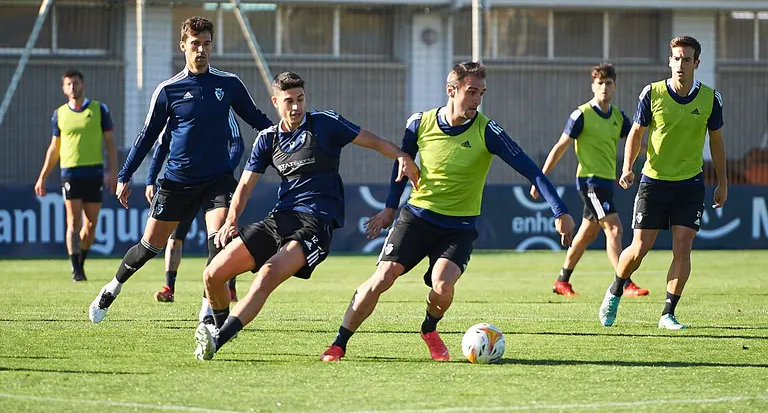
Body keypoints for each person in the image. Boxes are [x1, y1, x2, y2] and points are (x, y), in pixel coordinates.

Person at [319, 62, 575, 362]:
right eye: (471, 92)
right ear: (451, 90)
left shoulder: (488, 131)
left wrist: (560, 211)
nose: (477, 100)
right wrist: (390, 207)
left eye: (481, 93)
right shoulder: (419, 123)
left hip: (459, 227)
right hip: (416, 218)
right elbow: (401, 163)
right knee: (382, 278)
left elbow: (533, 171)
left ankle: (429, 328)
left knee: (442, 285)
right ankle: (339, 343)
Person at [192, 71, 419, 360]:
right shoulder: (268, 139)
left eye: (300, 99)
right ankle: (223, 326)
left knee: (268, 274)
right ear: (276, 102)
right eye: (289, 101)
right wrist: (231, 220)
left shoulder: (325, 123)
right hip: (280, 219)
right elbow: (245, 186)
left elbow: (373, 141)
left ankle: (218, 340)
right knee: (212, 274)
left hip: (316, 224)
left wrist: (401, 156)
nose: (296, 107)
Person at [88, 16, 272, 323]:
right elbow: (146, 137)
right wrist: (124, 175)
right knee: (149, 248)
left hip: (217, 181)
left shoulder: (228, 84)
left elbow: (257, 119)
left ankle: (206, 315)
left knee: (219, 241)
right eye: (195, 44)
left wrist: (289, 134)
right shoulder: (168, 90)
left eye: (207, 44)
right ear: (183, 46)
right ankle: (112, 288)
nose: (201, 50)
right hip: (177, 181)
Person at [598, 36, 726, 330]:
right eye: (676, 58)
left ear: (697, 63)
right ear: (670, 60)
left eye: (687, 59)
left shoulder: (710, 99)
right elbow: (636, 133)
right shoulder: (652, 93)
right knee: (639, 248)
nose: (680, 64)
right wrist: (628, 167)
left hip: (691, 184)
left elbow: (717, 142)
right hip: (653, 182)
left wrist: (723, 182)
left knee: (683, 248)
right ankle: (616, 288)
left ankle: (668, 312)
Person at [531, 63, 649, 297]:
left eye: (608, 83)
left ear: (614, 87)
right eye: (600, 83)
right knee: (614, 228)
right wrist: (540, 179)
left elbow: (635, 142)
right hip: (590, 182)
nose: (604, 87)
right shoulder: (581, 114)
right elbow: (560, 147)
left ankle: (562, 280)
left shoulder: (618, 116)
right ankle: (624, 282)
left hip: (606, 182)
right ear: (592, 86)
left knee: (587, 233)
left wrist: (658, 153)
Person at [145, 121, 243, 303]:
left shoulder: (222, 103)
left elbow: (238, 142)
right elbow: (163, 144)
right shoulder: (183, 108)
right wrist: (151, 178)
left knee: (222, 236)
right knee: (175, 237)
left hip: (215, 186)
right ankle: (169, 288)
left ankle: (229, 287)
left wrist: (227, 169)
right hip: (187, 185)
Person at [34, 70, 117, 281]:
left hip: (94, 172)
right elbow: (54, 148)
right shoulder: (59, 113)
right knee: (73, 223)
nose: (73, 87)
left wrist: (113, 171)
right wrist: (43, 176)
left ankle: (81, 261)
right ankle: (76, 269)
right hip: (70, 173)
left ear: (83, 85)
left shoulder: (99, 109)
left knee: (90, 225)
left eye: (76, 83)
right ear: (64, 88)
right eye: (69, 84)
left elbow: (109, 142)